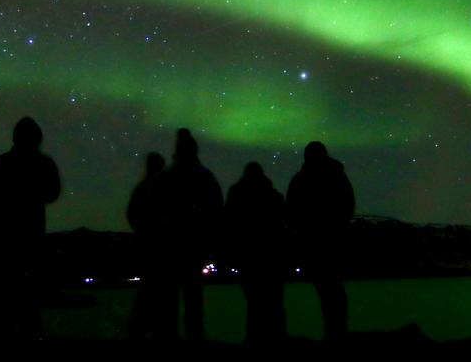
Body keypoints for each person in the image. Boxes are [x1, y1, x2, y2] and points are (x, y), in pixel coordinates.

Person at [0, 116, 60, 338]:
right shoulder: (44, 164)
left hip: (5, 239)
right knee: (29, 299)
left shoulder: (0, 163)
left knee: (5, 299)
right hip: (32, 235)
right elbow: (52, 193)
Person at [150, 128, 223, 342]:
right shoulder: (204, 177)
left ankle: (167, 337)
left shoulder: (165, 178)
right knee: (193, 295)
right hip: (193, 243)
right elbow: (216, 208)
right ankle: (195, 338)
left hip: (169, 243)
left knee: (169, 295)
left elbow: (152, 209)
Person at [286, 141, 354, 341]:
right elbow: (347, 205)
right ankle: (337, 332)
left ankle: (333, 333)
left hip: (313, 243)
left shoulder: (301, 180)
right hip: (333, 241)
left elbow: (292, 210)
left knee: (326, 290)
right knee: (334, 290)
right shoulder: (337, 177)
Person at [224, 161, 287, 345]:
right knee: (274, 302)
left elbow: (228, 224)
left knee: (254, 302)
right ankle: (278, 339)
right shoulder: (274, 197)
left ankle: (255, 340)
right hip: (272, 256)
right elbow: (282, 223)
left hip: (247, 257)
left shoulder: (236, 195)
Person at [125, 152, 166, 340]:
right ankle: (155, 332)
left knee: (148, 291)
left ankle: (139, 332)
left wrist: (141, 231)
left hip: (145, 246)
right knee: (157, 292)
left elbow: (131, 214)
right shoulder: (164, 188)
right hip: (158, 248)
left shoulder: (142, 188)